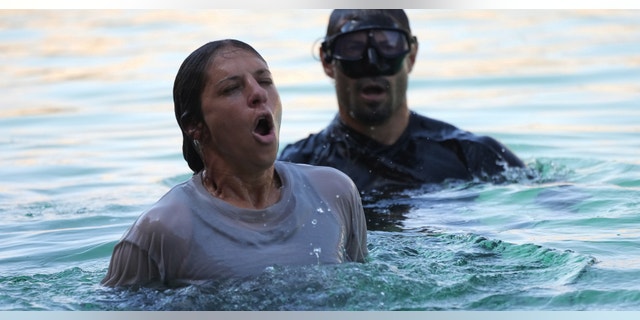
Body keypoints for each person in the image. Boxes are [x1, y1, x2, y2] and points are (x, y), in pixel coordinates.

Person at [101, 39, 367, 288]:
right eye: (231, 88)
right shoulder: (164, 229)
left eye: (265, 81)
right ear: (195, 126)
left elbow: (365, 290)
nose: (258, 94)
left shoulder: (334, 192)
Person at [279, 10, 526, 195]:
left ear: (412, 55)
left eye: (388, 46)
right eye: (353, 49)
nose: (373, 64)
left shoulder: (471, 154)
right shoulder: (299, 168)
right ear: (327, 61)